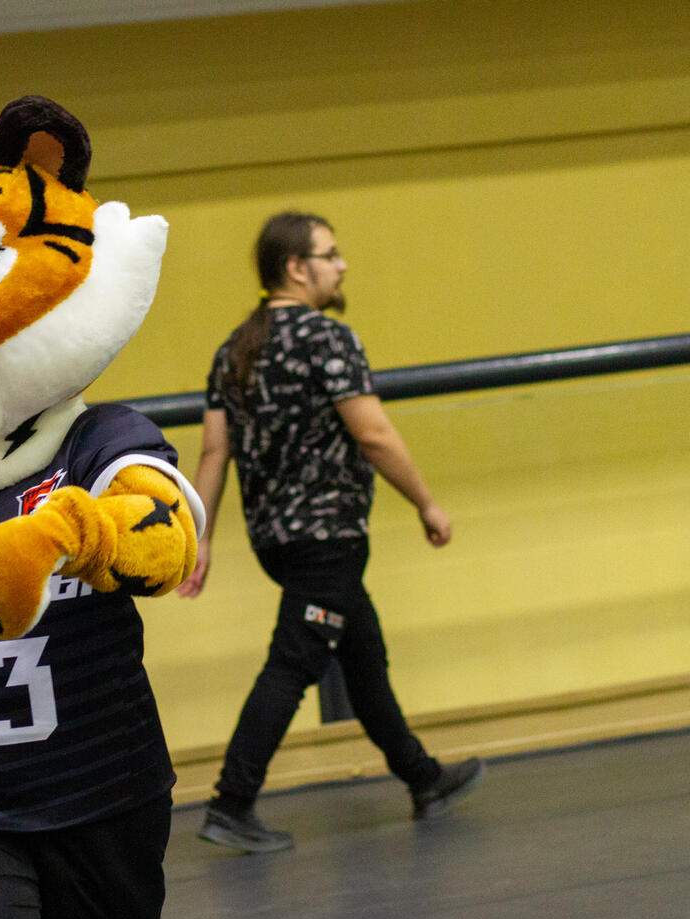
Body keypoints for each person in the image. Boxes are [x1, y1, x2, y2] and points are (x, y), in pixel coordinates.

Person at [179, 212, 482, 853]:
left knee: (363, 656)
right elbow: (373, 433)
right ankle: (231, 804)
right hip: (328, 538)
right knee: (292, 665)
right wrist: (426, 503)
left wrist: (199, 537)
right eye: (330, 254)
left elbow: (212, 453)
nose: (342, 265)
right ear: (297, 267)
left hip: (275, 541)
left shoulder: (234, 348)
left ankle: (424, 779)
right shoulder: (327, 338)